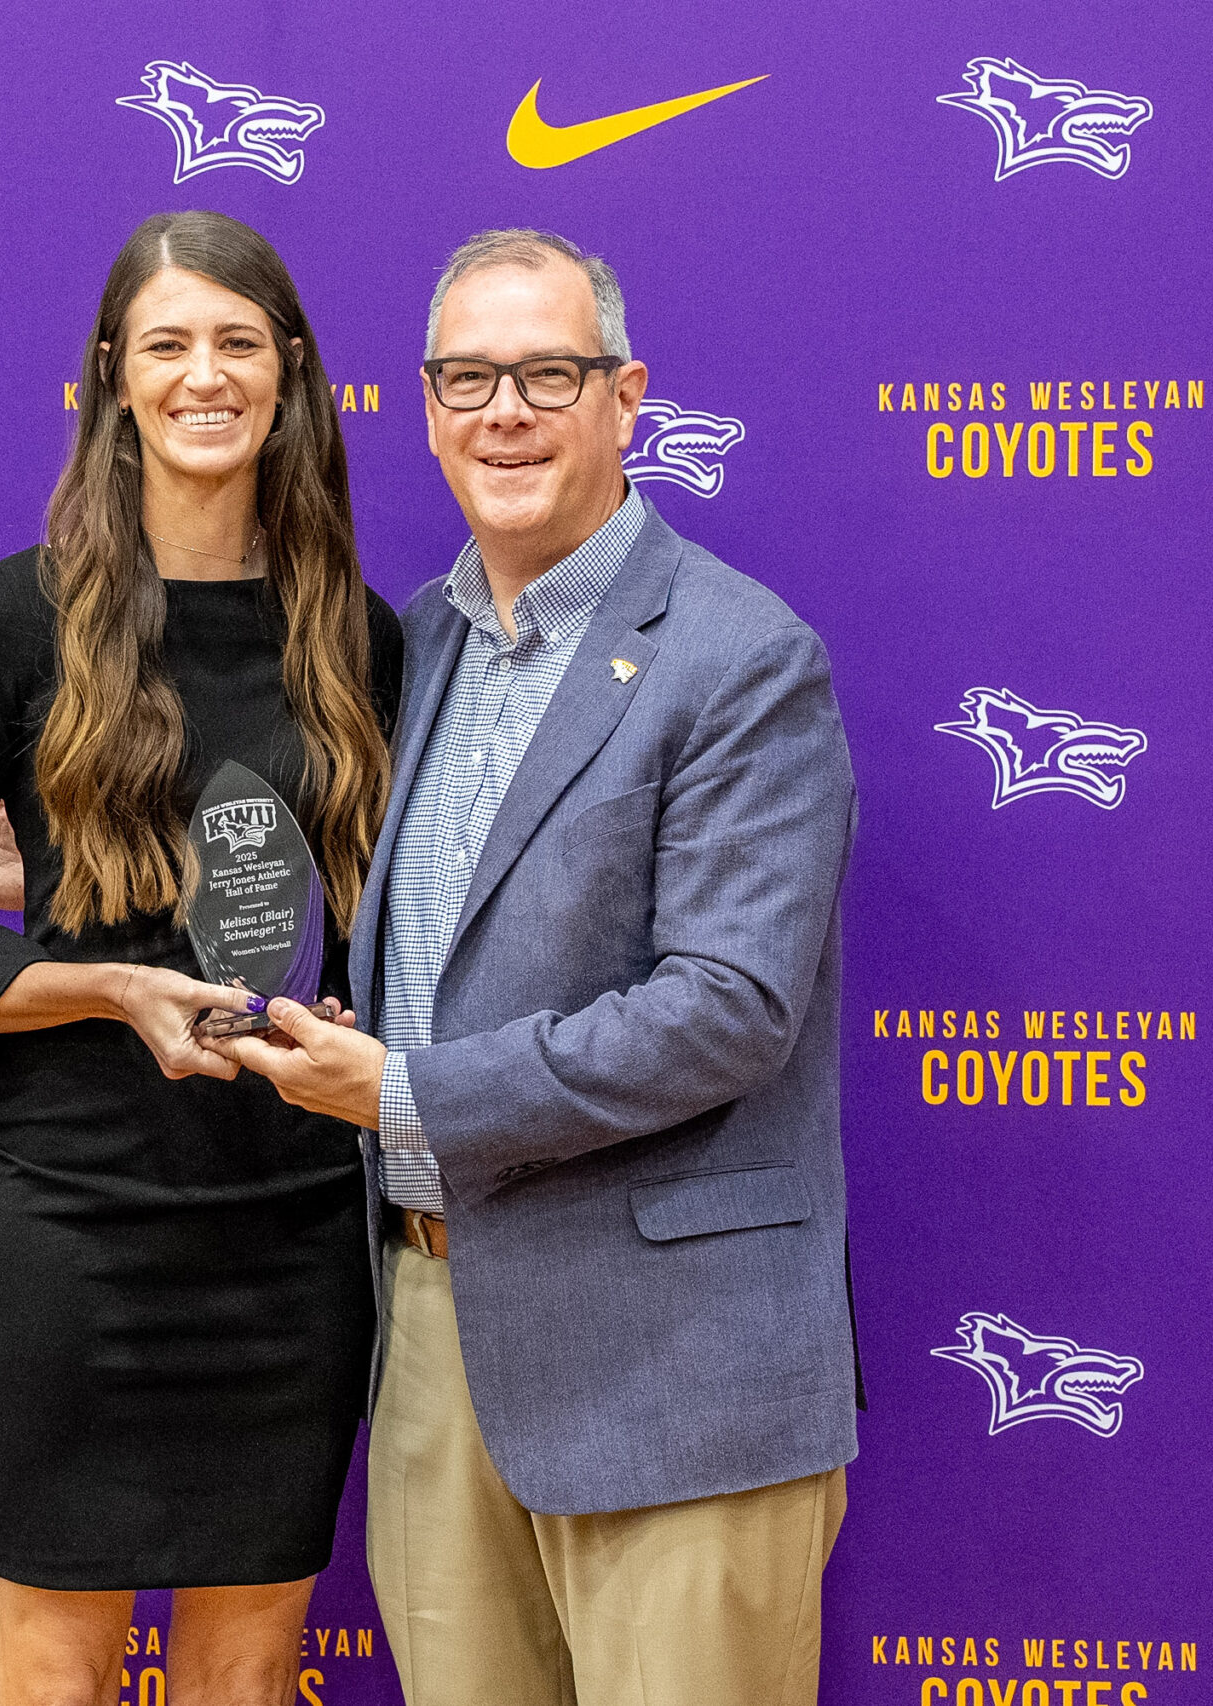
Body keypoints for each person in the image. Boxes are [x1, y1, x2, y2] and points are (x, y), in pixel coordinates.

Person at [216, 229, 859, 1706]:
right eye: (466, 377)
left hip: (677, 1374)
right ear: (427, 403)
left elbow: (727, 1012)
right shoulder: (417, 643)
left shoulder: (741, 657)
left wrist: (406, 1089)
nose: (502, 410)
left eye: (546, 373)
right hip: (439, 1345)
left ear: (626, 397)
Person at [0, 209, 400, 1706]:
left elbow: (410, 931)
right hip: (73, 1226)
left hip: (288, 1237)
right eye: (168, 346)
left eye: (237, 343)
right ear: (112, 381)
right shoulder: (12, 622)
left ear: (291, 377)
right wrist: (116, 987)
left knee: (250, 1676)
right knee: (58, 1671)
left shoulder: (361, 637)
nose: (205, 376)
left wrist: (353, 1022)